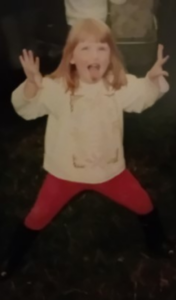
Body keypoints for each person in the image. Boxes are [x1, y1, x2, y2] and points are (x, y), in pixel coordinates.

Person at [0, 18, 174, 280]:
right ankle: (12, 258)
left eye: (102, 48)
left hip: (109, 170)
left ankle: (157, 242)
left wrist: (151, 81)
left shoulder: (118, 85)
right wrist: (33, 86)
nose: (95, 55)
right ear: (71, 58)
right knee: (38, 214)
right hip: (65, 172)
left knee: (143, 202)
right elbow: (27, 109)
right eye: (86, 49)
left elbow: (141, 97)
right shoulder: (56, 88)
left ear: (110, 55)